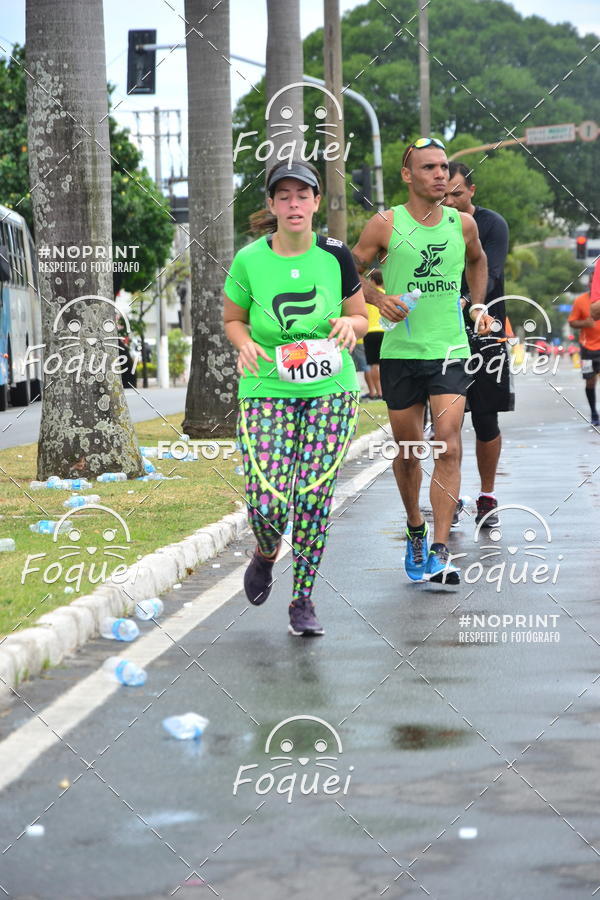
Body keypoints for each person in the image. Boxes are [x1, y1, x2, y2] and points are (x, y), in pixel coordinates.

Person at [224, 161, 368, 635]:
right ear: (270, 205)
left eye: (302, 195)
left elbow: (360, 317)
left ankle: (302, 600)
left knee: (311, 495)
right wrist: (244, 342)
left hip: (331, 388)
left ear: (316, 202)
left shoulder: (336, 254)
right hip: (267, 387)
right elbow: (234, 319)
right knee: (267, 499)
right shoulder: (249, 260)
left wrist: (351, 324)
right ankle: (266, 552)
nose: (293, 204)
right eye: (282, 196)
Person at [353, 137, 491, 584]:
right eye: (429, 167)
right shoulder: (384, 224)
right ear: (407, 175)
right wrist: (376, 296)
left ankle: (439, 547)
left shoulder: (462, 223)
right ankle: (415, 526)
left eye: (444, 167)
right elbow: (347, 270)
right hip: (399, 352)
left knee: (448, 444)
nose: (440, 174)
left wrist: (476, 305)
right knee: (410, 452)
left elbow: (478, 260)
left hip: (449, 349)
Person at [445, 161, 512, 528]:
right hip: (442, 337)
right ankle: (449, 496)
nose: (450, 201)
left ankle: (487, 496)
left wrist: (468, 303)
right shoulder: (433, 225)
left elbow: (492, 271)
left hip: (485, 333)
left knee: (486, 419)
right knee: (447, 423)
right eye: (444, 195)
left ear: (472, 191)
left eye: (457, 193)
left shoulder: (491, 225)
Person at [569, 269, 600, 426]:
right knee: (590, 382)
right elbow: (572, 322)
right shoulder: (580, 301)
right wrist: (585, 323)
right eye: (592, 282)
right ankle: (594, 412)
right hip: (588, 348)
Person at [361, 269, 385, 399]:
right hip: (384, 332)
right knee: (384, 364)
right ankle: (386, 390)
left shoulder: (366, 297)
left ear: (372, 281)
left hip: (370, 332)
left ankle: (378, 392)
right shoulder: (386, 295)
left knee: (373, 365)